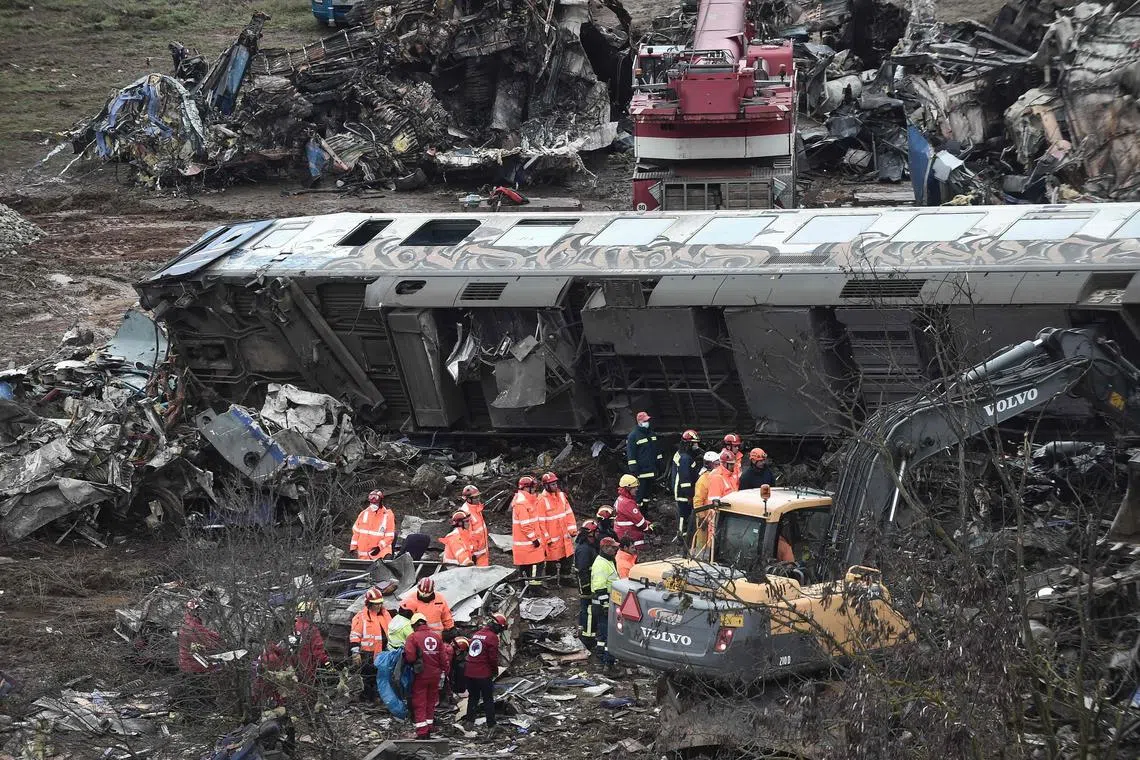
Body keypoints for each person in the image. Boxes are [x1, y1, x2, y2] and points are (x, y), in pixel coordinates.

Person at [403, 614, 447, 738]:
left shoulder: (413, 637)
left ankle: (422, 731)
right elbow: (444, 659)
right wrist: (444, 672)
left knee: (420, 702)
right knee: (431, 700)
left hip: (421, 675)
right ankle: (430, 726)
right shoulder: (436, 637)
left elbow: (410, 657)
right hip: (435, 675)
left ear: (415, 625)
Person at [350, 585, 393, 703]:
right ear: (369, 604)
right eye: (376, 603)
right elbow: (354, 635)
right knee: (368, 678)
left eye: (380, 603)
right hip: (368, 653)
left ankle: (377, 697)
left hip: (384, 652)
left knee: (382, 676)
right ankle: (369, 698)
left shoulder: (386, 615)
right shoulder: (361, 617)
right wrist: (355, 653)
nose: (378, 606)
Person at [464, 613, 506, 731]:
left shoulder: (477, 634)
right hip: (483, 673)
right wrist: (495, 671)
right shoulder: (492, 637)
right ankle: (491, 724)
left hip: (469, 672)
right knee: (488, 699)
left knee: (473, 698)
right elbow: (492, 658)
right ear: (497, 627)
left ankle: (469, 722)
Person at [539, 472, 576, 583]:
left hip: (564, 536)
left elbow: (569, 514)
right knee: (552, 561)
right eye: (552, 484)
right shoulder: (542, 500)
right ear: (546, 486)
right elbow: (541, 522)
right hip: (552, 538)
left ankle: (566, 579)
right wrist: (547, 538)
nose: (555, 486)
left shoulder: (561, 496)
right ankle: (551, 580)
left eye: (556, 484)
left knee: (568, 557)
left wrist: (572, 530)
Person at [511, 475, 548, 586]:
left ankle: (525, 587)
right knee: (537, 564)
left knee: (525, 566)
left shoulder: (525, 501)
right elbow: (525, 525)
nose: (535, 490)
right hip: (529, 542)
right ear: (527, 488)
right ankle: (534, 589)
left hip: (526, 542)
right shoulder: (522, 503)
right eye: (533, 487)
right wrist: (534, 539)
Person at [590, 537, 620, 666]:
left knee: (603, 633)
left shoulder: (607, 561)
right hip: (603, 604)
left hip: (605, 603)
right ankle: (608, 662)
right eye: (612, 547)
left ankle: (601, 654)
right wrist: (606, 606)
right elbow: (600, 588)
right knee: (609, 634)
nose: (615, 549)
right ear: (604, 548)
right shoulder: (601, 564)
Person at [626, 411, 662, 509]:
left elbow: (656, 450)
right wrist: (634, 469)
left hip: (651, 471)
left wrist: (659, 464)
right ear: (639, 422)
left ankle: (645, 513)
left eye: (648, 420)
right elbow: (631, 454)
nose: (647, 422)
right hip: (641, 473)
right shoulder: (633, 436)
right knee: (639, 496)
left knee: (647, 496)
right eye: (645, 421)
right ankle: (638, 514)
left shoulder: (651, 434)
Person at [574, 520, 601, 649]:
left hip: (590, 583)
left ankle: (584, 630)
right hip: (587, 585)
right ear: (591, 533)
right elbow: (583, 570)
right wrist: (586, 587)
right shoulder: (584, 550)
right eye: (596, 532)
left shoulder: (589, 547)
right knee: (589, 610)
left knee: (586, 609)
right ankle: (588, 638)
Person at [178, 599, 223, 674]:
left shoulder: (188, 622)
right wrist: (221, 642)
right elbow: (208, 643)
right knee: (222, 666)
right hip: (195, 664)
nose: (200, 611)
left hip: (186, 662)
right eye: (198, 609)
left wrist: (216, 636)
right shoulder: (194, 626)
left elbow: (206, 632)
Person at [671, 429, 702, 540]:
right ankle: (682, 537)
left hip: (682, 491)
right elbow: (685, 479)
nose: (696, 445)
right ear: (689, 444)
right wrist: (689, 495)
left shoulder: (683, 454)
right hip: (683, 493)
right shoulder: (685, 458)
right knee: (684, 515)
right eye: (694, 443)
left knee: (685, 514)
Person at [350, 490, 396, 560]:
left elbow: (389, 536)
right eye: (371, 501)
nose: (373, 504)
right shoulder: (363, 513)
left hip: (381, 555)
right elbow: (356, 532)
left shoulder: (387, 515)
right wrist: (353, 547)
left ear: (381, 501)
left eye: (376, 502)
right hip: (363, 556)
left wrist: (379, 547)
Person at [292, 600, 330, 684]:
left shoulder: (293, 626)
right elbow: (318, 650)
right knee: (305, 688)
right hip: (306, 665)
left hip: (291, 663)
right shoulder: (311, 630)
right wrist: (327, 663)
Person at [614, 474, 653, 550]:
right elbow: (640, 523)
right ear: (628, 488)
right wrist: (650, 528)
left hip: (624, 534)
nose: (637, 489)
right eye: (634, 487)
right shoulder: (627, 503)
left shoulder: (621, 499)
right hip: (631, 537)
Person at [460, 485, 490, 567]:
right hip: (475, 552)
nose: (478, 499)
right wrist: (472, 552)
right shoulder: (466, 512)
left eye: (478, 496)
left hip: (482, 550)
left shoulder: (477, 507)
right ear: (468, 499)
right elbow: (466, 534)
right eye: (475, 497)